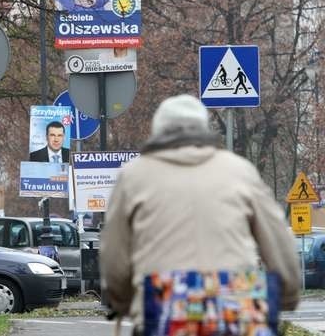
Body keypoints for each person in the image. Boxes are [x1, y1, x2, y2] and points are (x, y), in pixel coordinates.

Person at [99, 94, 300, 334]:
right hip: (235, 313)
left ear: (157, 132)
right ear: (205, 130)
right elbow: (278, 241)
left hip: (163, 314)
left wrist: (122, 301)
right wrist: (287, 295)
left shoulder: (133, 176)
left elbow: (114, 256)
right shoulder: (239, 171)